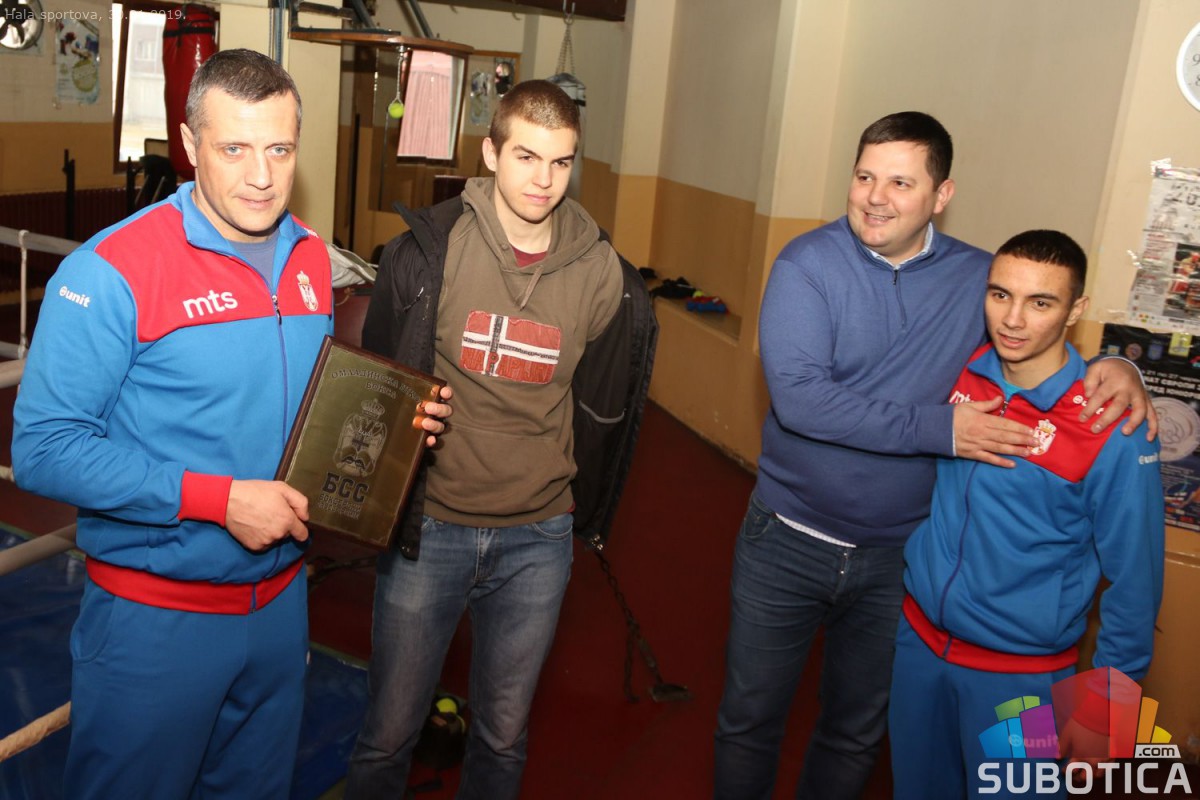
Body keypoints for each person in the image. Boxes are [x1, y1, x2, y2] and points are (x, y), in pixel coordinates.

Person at [11, 49, 449, 799]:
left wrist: (395, 424)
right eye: (235, 148)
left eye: (279, 149)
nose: (261, 176)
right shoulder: (111, 270)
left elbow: (301, 411)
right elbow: (44, 450)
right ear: (190, 144)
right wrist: (217, 501)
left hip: (279, 608)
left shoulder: (310, 258)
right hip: (155, 617)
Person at [712, 112, 1154, 800]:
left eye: (900, 182)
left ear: (941, 195)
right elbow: (799, 400)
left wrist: (1122, 368)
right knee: (752, 720)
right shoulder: (808, 264)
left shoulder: (981, 282)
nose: (875, 197)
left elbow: (1037, 327)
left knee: (856, 731)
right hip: (798, 546)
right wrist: (942, 429)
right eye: (864, 176)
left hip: (919, 580)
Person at [344, 80, 656, 799]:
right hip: (431, 527)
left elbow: (602, 405)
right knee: (387, 735)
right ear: (489, 154)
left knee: (504, 738)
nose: (543, 179)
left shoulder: (601, 275)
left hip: (537, 538)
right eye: (526, 157)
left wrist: (576, 506)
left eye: (560, 162)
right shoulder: (428, 255)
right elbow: (383, 384)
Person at [889, 230, 1164, 798]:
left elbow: (1136, 584)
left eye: (1040, 302)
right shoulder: (962, 369)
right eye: (1000, 295)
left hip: (1021, 683)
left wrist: (1107, 717)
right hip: (919, 649)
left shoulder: (1109, 427)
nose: (1012, 320)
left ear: (1075, 311)